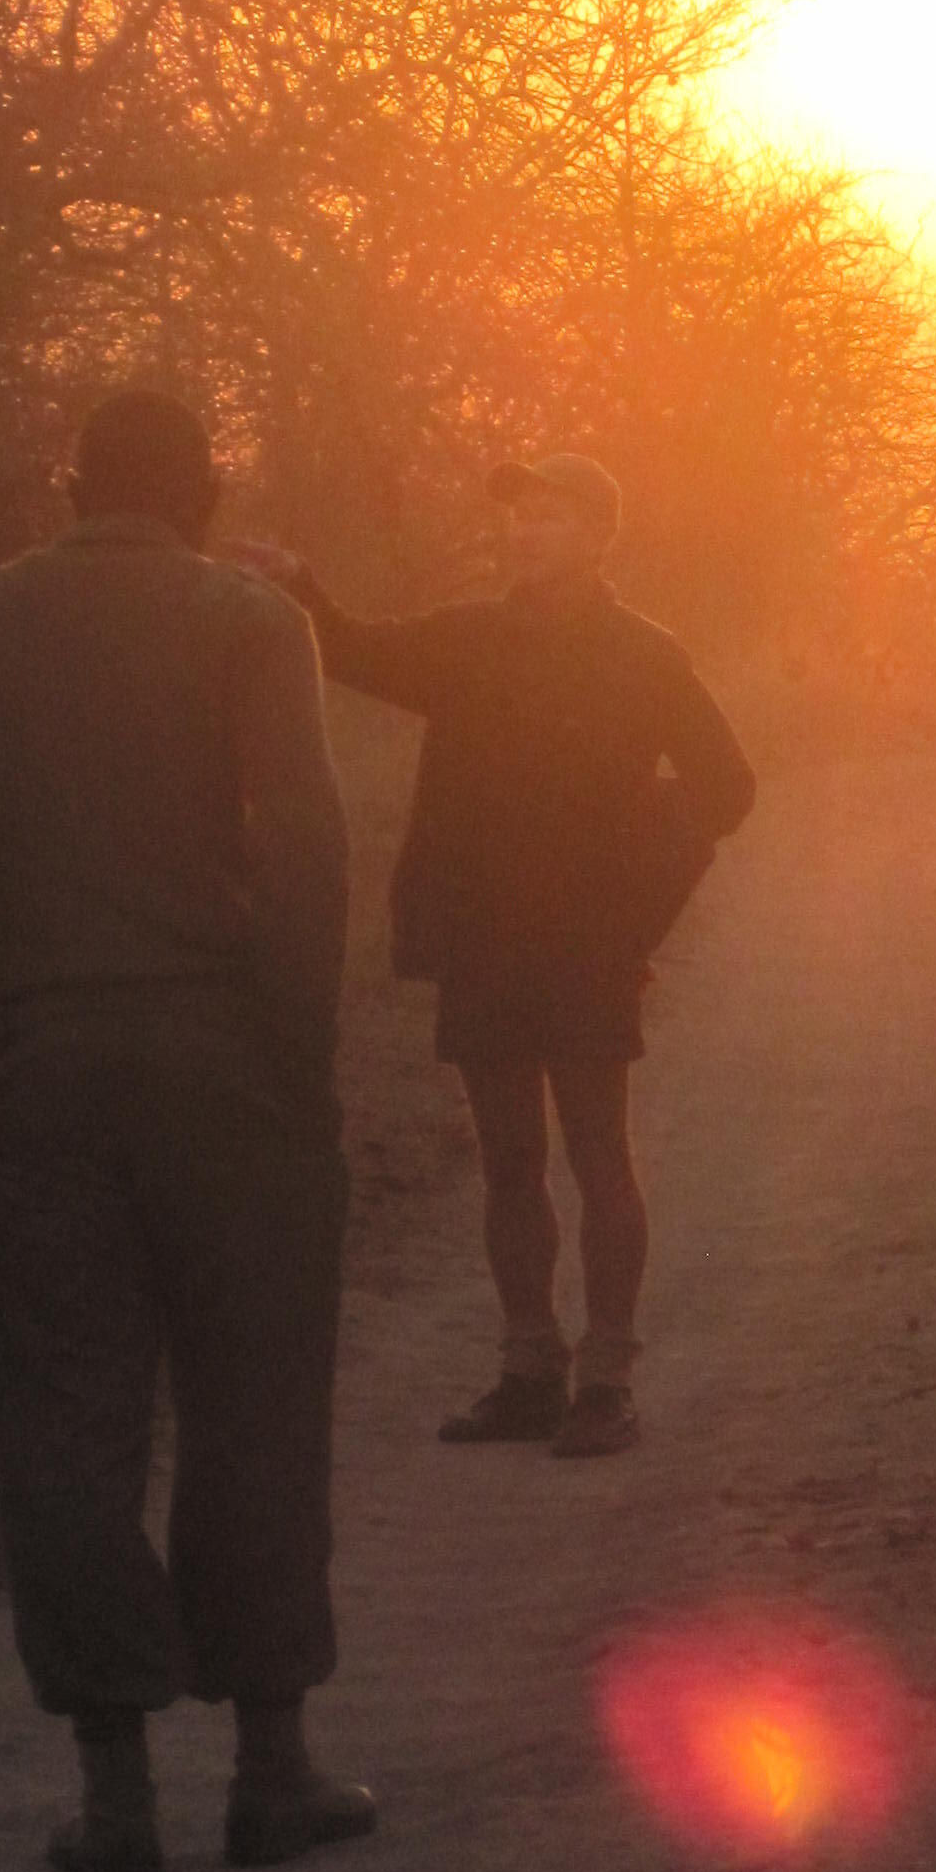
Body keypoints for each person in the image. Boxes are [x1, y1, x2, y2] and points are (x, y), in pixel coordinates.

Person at [0, 388, 375, 1872]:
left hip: (48, 1074)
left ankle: (117, 1801)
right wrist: (296, 1056)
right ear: (203, 493)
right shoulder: (248, 624)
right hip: (229, 1071)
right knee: (256, 1408)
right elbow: (307, 854)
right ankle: (272, 1773)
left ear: (69, 485)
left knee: (67, 1434)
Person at [250, 454, 754, 1460]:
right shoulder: (467, 637)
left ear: (599, 535)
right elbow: (352, 651)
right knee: (509, 1160)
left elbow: (727, 788)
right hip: (482, 938)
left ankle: (606, 1379)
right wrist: (301, 585)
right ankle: (530, 1369)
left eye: (553, 516)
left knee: (598, 1153)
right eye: (520, 516)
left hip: (584, 952)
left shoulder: (643, 654)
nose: (526, 531)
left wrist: (633, 901)